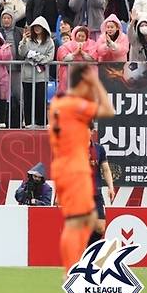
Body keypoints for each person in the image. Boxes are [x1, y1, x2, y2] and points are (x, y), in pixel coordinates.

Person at [48, 64, 115, 277]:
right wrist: (96, 82)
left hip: (65, 166)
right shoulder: (73, 104)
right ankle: (70, 272)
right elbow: (108, 109)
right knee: (77, 221)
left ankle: (79, 267)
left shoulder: (59, 103)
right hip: (73, 168)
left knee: (87, 221)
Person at [18, 16, 54, 128]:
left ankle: (42, 122)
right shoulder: (28, 40)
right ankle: (28, 122)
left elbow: (49, 57)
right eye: (35, 27)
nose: (37, 29)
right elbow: (22, 53)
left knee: (40, 99)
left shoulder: (49, 42)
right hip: (27, 75)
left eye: (39, 26)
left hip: (41, 76)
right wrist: (23, 41)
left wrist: (36, 58)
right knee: (27, 99)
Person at [88, 123, 115, 246]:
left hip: (96, 193)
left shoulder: (99, 149)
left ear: (91, 132)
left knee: (100, 228)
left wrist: (111, 187)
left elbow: (105, 169)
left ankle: (86, 250)